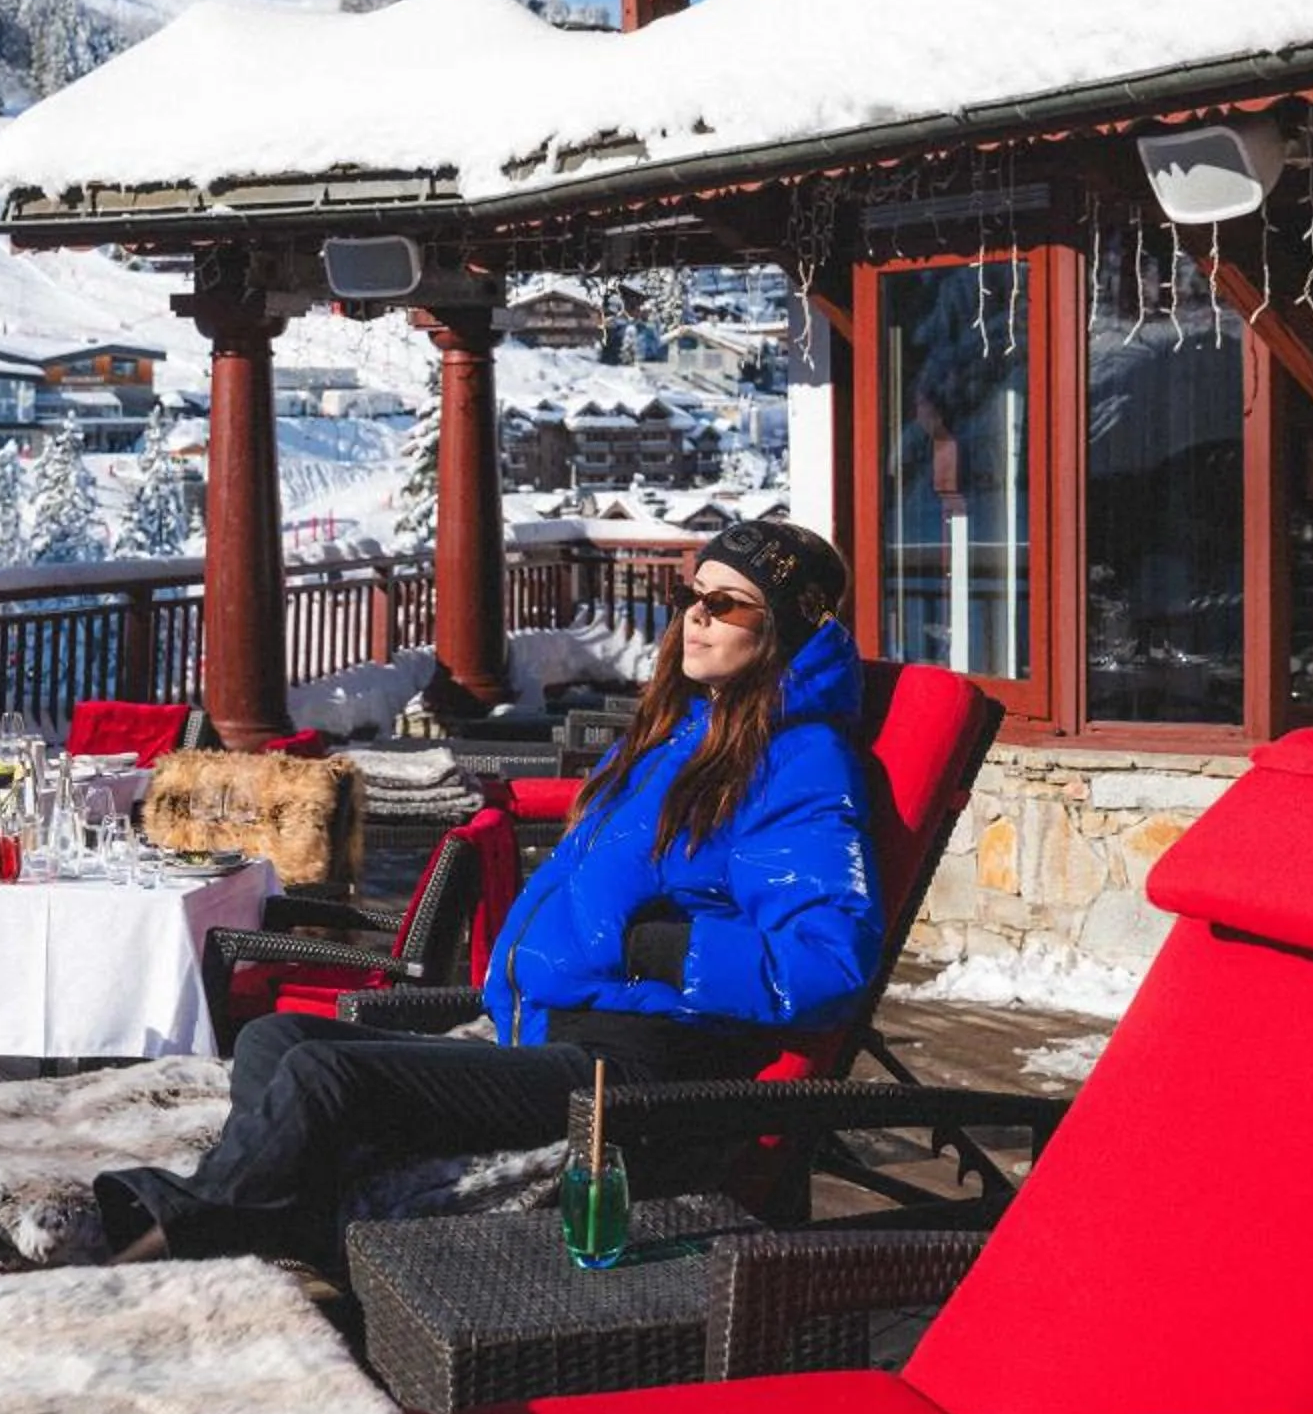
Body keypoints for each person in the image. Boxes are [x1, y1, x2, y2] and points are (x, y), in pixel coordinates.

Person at [96, 520, 882, 1264]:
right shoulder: (686, 734)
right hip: (547, 1030)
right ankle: (285, 1229)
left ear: (783, 625)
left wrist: (662, 947)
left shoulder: (801, 762)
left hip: (631, 1070)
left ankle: (173, 1247)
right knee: (278, 1040)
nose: (695, 619)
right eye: (690, 598)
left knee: (323, 1076)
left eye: (725, 603)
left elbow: (828, 963)